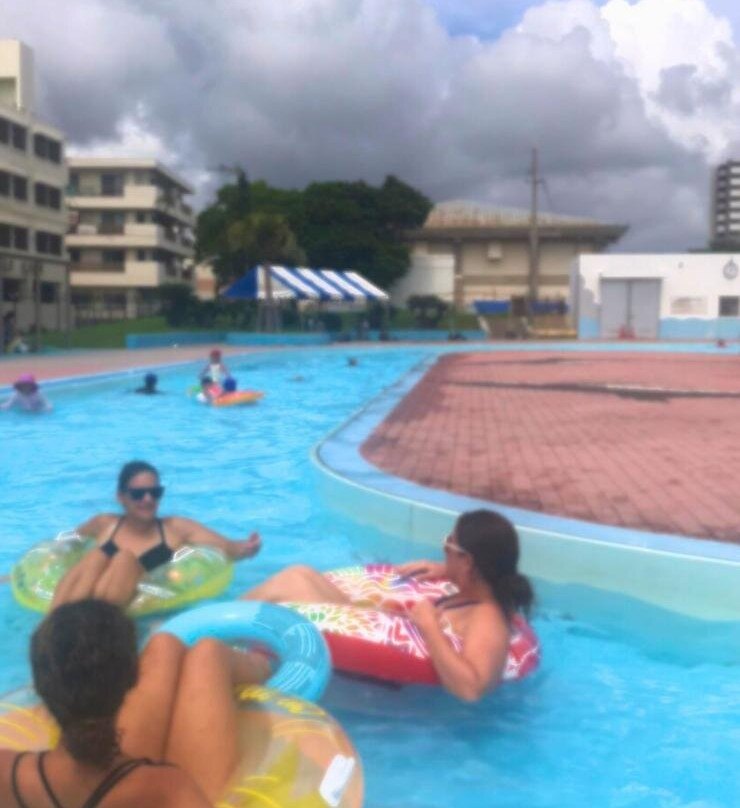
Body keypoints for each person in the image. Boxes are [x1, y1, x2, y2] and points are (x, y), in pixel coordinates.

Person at [0, 599, 270, 807]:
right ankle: (264, 662)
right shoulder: (170, 788)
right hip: (151, 791)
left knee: (164, 643)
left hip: (97, 783)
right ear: (132, 680)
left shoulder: (6, 771)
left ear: (39, 687)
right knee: (208, 654)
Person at [242, 509, 534, 702]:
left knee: (291, 584)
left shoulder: (487, 618)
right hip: (382, 624)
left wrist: (429, 626)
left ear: (469, 562)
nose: (443, 550)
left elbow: (472, 689)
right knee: (301, 574)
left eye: (449, 546)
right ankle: (220, 627)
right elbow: (476, 578)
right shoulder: (479, 590)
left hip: (380, 663)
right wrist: (445, 569)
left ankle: (216, 628)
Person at [52, 461, 261, 609]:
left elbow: (228, 548)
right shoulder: (104, 523)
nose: (148, 499)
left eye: (155, 492)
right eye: (138, 494)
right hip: (81, 599)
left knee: (125, 562)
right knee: (96, 557)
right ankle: (52, 631)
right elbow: (69, 544)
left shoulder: (176, 529)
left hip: (137, 614)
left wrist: (248, 548)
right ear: (120, 497)